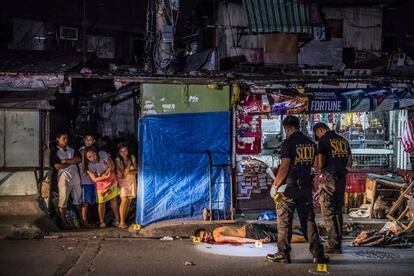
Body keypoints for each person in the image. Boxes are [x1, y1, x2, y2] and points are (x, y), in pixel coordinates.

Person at [267, 116, 328, 264]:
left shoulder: (288, 143)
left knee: (284, 222)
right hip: (305, 188)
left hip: (289, 188)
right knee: (308, 222)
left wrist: (275, 186)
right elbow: (316, 165)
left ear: (287, 128)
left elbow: (284, 167)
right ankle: (318, 255)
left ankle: (283, 254)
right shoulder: (310, 143)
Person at [313, 122, 352, 254]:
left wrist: (316, 168)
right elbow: (349, 162)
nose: (318, 136)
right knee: (337, 211)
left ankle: (333, 244)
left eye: (317, 134)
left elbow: (321, 163)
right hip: (341, 178)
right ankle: (338, 242)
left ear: (320, 130)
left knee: (328, 211)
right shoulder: (343, 141)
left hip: (329, 178)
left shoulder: (323, 141)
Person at [51, 132, 82, 229]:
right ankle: (64, 223)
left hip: (75, 175)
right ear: (58, 139)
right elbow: (57, 166)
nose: (66, 140)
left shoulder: (72, 148)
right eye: (63, 138)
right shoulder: (55, 151)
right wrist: (71, 162)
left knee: (79, 199)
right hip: (63, 177)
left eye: (67, 138)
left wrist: (66, 161)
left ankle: (82, 221)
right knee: (63, 200)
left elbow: (79, 159)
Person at [85, 147, 120, 228]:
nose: (92, 158)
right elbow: (94, 179)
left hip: (111, 181)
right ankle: (102, 222)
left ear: (95, 152)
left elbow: (112, 167)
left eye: (93, 155)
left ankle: (117, 219)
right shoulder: (89, 166)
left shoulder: (102, 154)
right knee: (101, 203)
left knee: (113, 199)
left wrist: (104, 175)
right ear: (87, 158)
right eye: (89, 157)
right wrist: (107, 174)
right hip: (101, 185)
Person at [195, 223, 305, 244]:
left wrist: (257, 241)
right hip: (251, 226)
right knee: (280, 229)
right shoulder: (216, 230)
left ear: (205, 231)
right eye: (203, 239)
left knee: (281, 237)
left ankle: (307, 238)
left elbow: (239, 240)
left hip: (251, 233)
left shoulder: (217, 237)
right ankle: (306, 232)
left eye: (204, 235)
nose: (205, 238)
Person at [115, 143, 137, 229]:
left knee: (128, 201)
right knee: (124, 200)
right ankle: (121, 222)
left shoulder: (132, 157)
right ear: (119, 153)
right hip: (123, 182)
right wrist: (129, 163)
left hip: (131, 181)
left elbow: (137, 170)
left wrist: (130, 171)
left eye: (125, 151)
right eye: (121, 152)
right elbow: (124, 174)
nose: (124, 153)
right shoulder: (118, 160)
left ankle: (124, 219)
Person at [78, 134, 97, 227]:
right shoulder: (82, 150)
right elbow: (82, 165)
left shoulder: (93, 149)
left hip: (93, 180)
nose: (88, 141)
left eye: (90, 139)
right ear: (83, 140)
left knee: (91, 201)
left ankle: (90, 221)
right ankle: (84, 221)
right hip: (85, 180)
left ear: (94, 141)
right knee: (85, 201)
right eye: (87, 139)